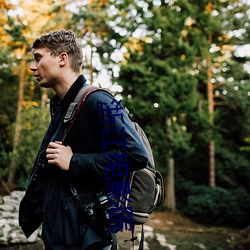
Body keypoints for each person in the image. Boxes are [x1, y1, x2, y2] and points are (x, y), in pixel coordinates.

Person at [18, 30, 148, 250]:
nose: (33, 66)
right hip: (62, 237)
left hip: (89, 240)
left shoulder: (102, 101)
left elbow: (136, 156)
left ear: (62, 58)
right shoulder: (60, 106)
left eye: (39, 58)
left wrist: (74, 161)